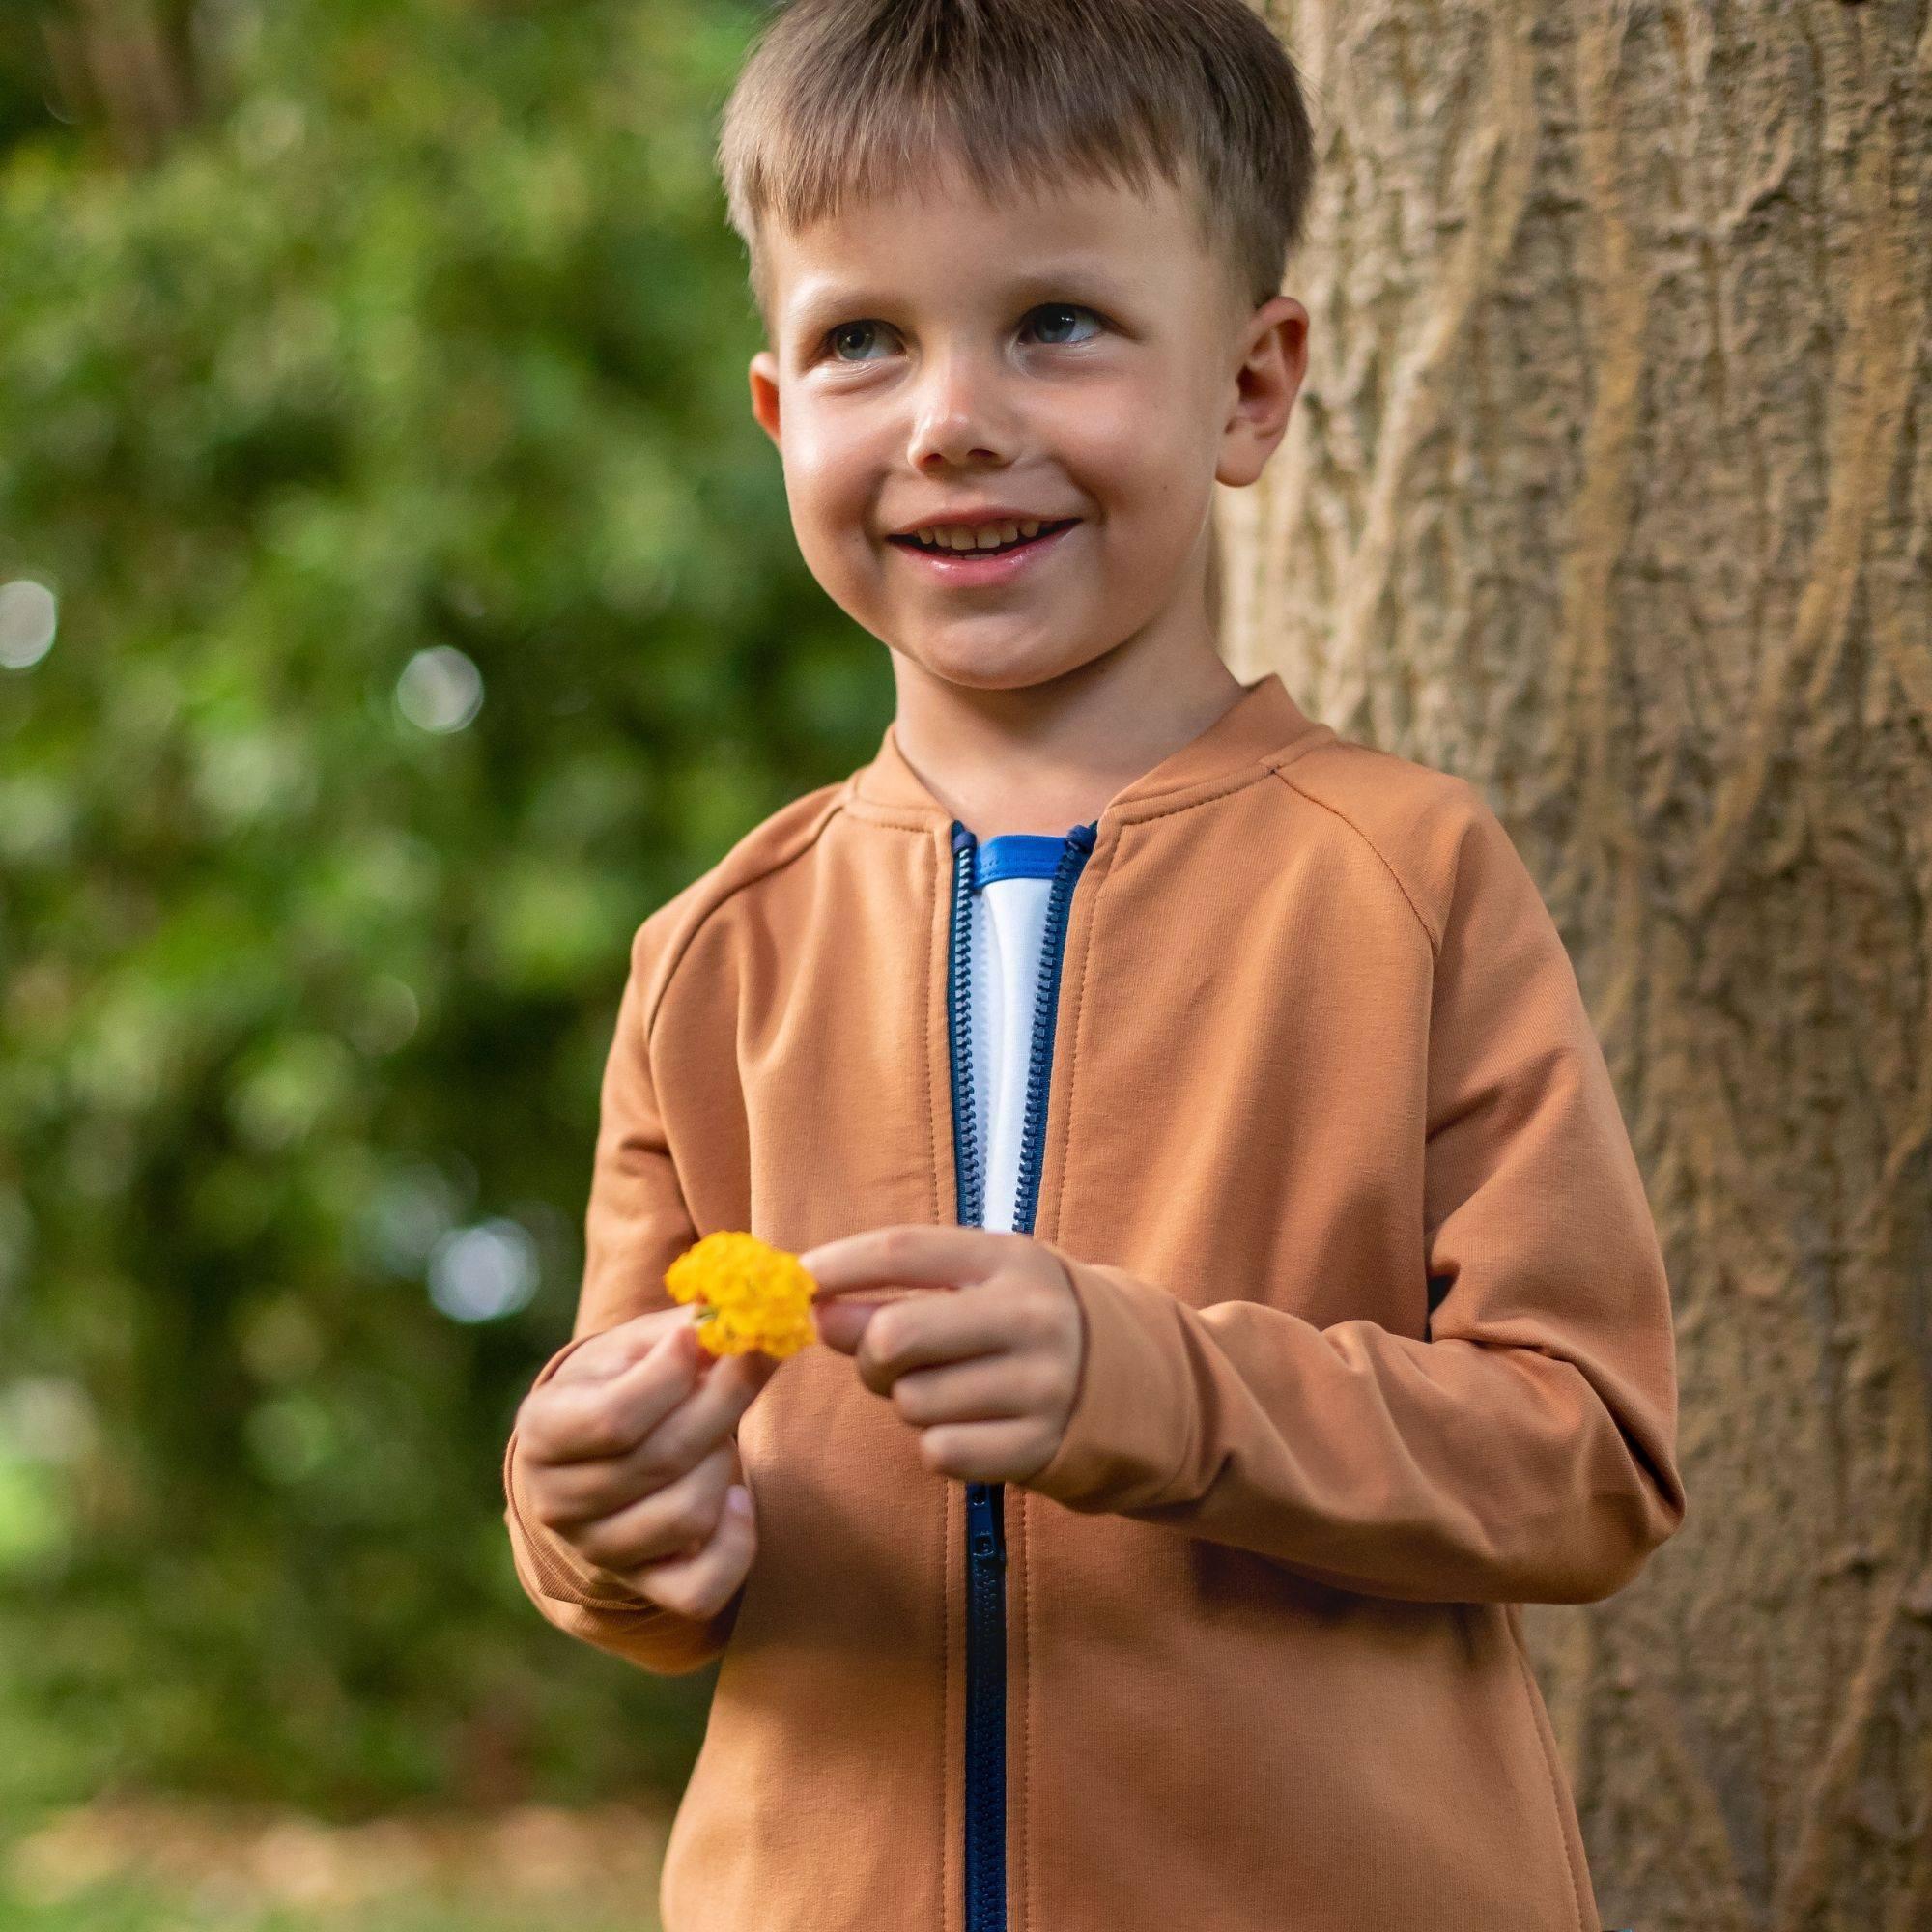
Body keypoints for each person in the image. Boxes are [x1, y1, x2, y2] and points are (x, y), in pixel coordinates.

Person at [500, 3, 1687, 1928]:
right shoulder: (716, 953)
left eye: (1054, 320)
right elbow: (655, 1562)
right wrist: (592, 1515)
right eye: (864, 338)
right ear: (780, 415)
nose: (952, 411)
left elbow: (1589, 1457)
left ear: (1247, 383)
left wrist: (1150, 1382)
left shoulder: (1407, 880)